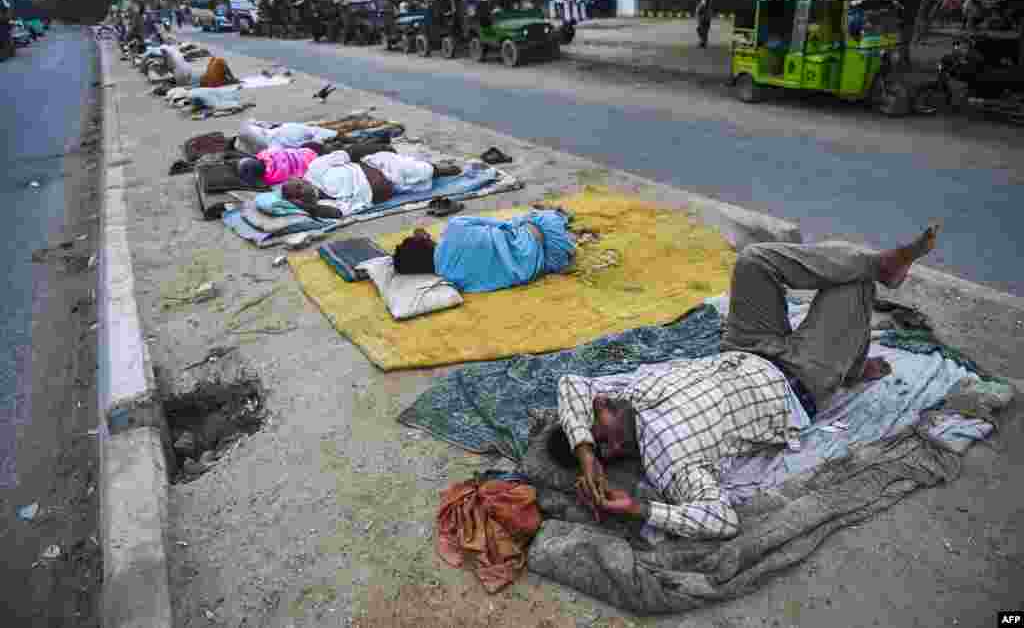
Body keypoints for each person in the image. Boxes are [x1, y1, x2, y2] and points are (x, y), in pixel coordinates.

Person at [547, 227, 940, 539]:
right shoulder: (670, 462)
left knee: (754, 261)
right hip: (798, 379)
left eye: (599, 430)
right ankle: (851, 358)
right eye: (609, 448)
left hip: (745, 344)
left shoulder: (625, 394)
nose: (602, 399)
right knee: (853, 284)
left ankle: (875, 276)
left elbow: (570, 384)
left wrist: (586, 456)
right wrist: (640, 509)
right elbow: (721, 519)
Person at [392, 208, 576, 293]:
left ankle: (569, 238)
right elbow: (505, 224)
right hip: (547, 233)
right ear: (424, 241)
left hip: (552, 263)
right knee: (532, 218)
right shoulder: (456, 226)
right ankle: (560, 219)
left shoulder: (451, 279)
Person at [284, 152, 461, 216]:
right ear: (298, 200)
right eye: (298, 193)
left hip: (381, 166)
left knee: (421, 171)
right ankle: (430, 168)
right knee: (422, 183)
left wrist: (375, 146)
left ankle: (437, 168)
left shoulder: (316, 168)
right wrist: (308, 207)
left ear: (300, 178)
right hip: (394, 190)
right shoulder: (320, 205)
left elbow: (349, 153)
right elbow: (338, 213)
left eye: (299, 185)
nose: (302, 189)